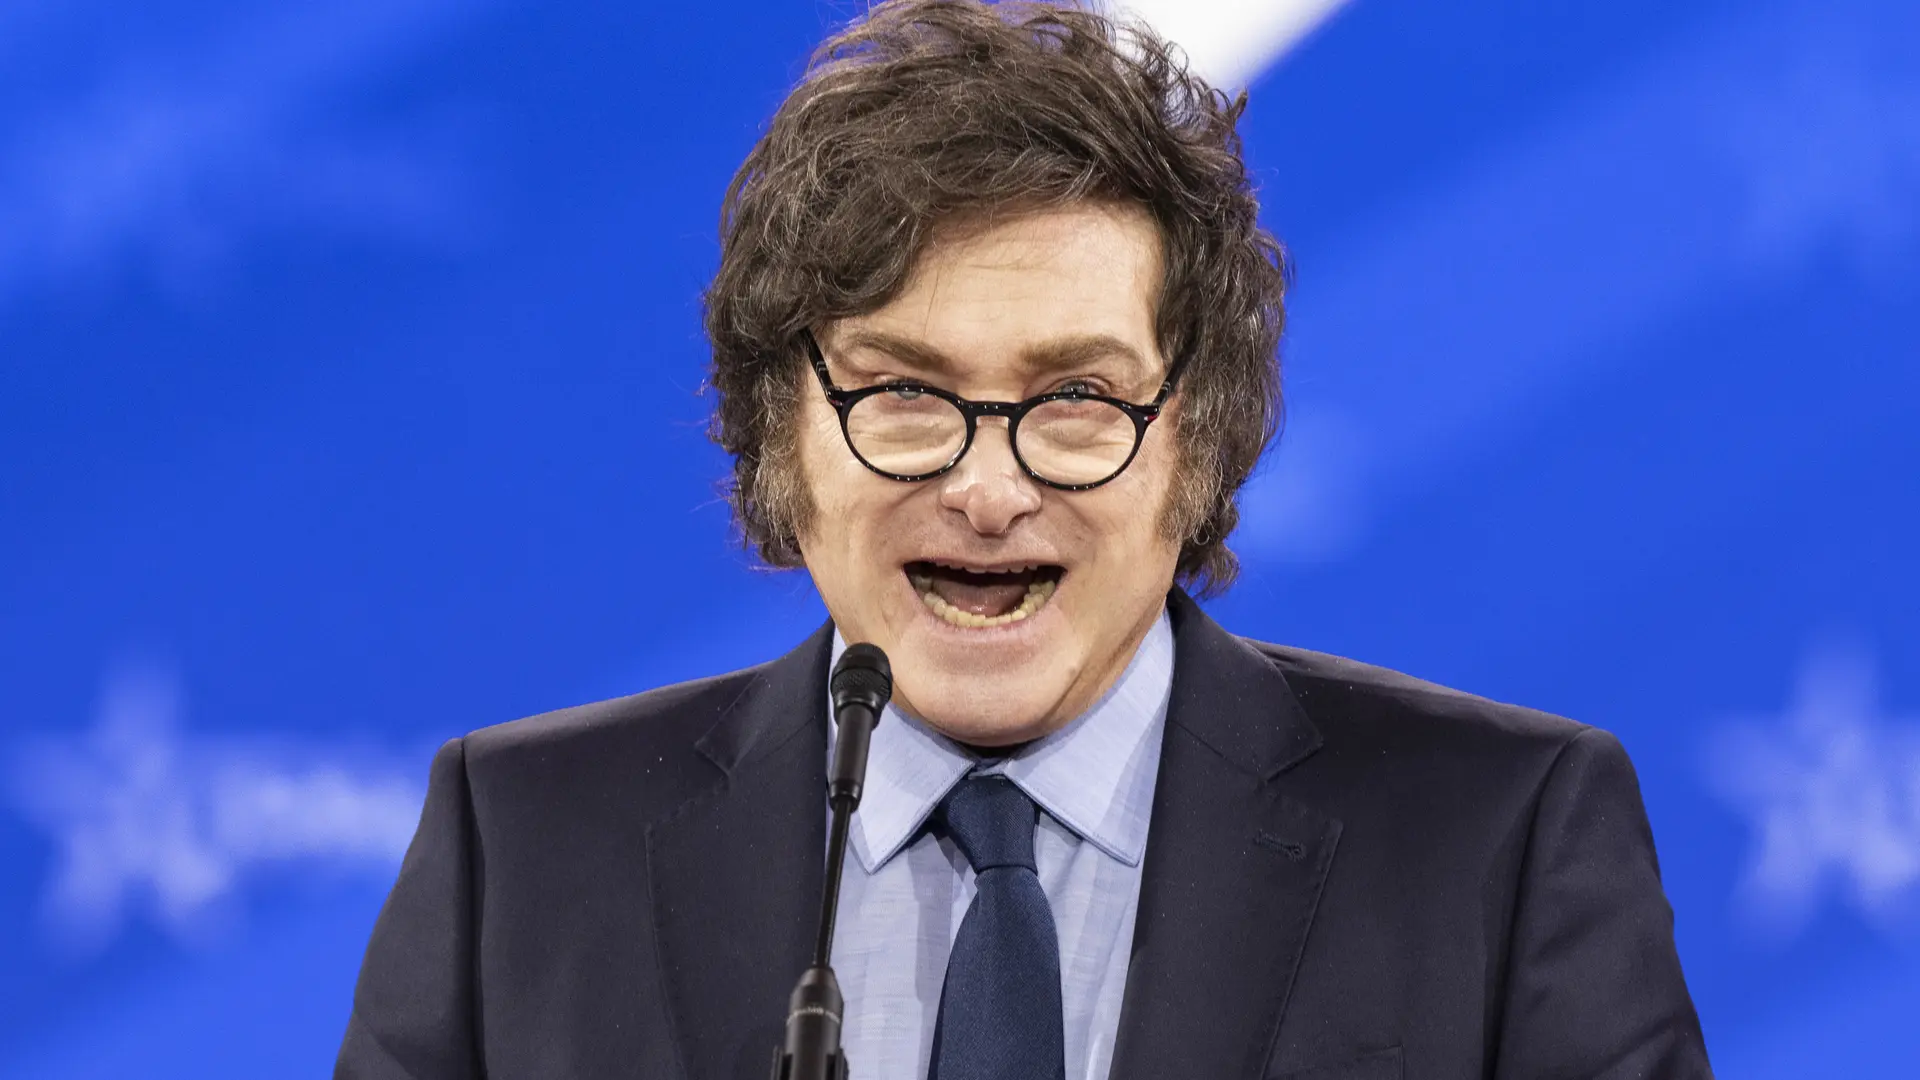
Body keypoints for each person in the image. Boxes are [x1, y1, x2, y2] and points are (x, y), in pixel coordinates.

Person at [335, 2, 1712, 1078]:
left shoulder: (1502, 841)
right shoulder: (522, 851)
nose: (988, 490)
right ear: (779, 434)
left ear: (1197, 441)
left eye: (1076, 400)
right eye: (903, 393)